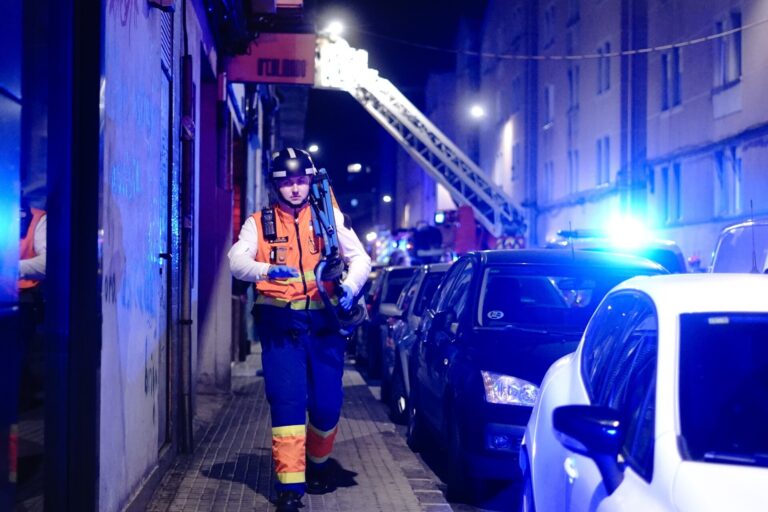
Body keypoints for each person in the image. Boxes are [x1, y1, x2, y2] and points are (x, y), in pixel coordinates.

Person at [228, 147, 371, 512]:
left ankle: (318, 464)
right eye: (287, 182)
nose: (295, 188)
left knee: (326, 406)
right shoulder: (258, 223)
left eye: (301, 181)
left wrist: (349, 289)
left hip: (323, 325)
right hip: (281, 329)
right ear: (277, 185)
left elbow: (361, 259)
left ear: (310, 182)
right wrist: (264, 270)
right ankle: (291, 487)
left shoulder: (329, 218)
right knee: (288, 404)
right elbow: (237, 261)